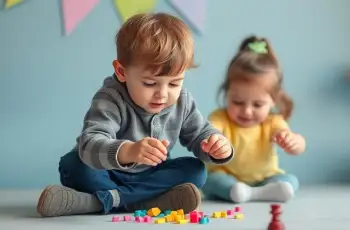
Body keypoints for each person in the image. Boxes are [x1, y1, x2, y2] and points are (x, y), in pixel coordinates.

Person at [36, 12, 234, 217]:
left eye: (174, 83)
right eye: (150, 83)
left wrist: (217, 145)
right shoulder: (110, 98)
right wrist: (128, 151)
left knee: (196, 170)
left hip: (150, 177)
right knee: (75, 165)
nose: (163, 94)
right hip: (106, 173)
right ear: (122, 72)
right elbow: (89, 144)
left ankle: (98, 202)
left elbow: (201, 134)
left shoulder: (182, 101)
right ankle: (145, 201)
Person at [201, 35, 306, 203]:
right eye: (237, 102)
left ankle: (253, 193)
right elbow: (209, 131)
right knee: (207, 178)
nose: (247, 111)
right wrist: (212, 140)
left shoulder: (273, 122)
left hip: (265, 179)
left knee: (290, 180)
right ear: (227, 93)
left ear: (273, 100)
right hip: (228, 178)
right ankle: (238, 191)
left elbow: (297, 144)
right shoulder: (220, 118)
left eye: (257, 104)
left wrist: (294, 142)